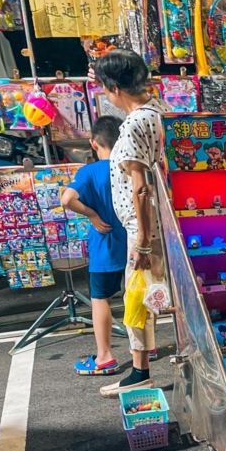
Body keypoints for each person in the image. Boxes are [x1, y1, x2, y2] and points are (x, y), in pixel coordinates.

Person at [90, 49, 170, 398]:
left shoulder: (136, 122)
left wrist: (141, 242)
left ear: (112, 87)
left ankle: (140, 372)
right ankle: (146, 369)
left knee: (138, 300)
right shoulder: (160, 112)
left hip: (147, 230)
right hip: (163, 226)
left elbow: (140, 187)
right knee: (157, 298)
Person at [62, 116, 128, 376]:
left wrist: (91, 214)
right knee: (137, 294)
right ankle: (145, 347)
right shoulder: (131, 167)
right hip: (135, 242)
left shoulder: (89, 171)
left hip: (106, 246)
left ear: (93, 143)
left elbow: (68, 199)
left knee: (100, 298)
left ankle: (105, 357)